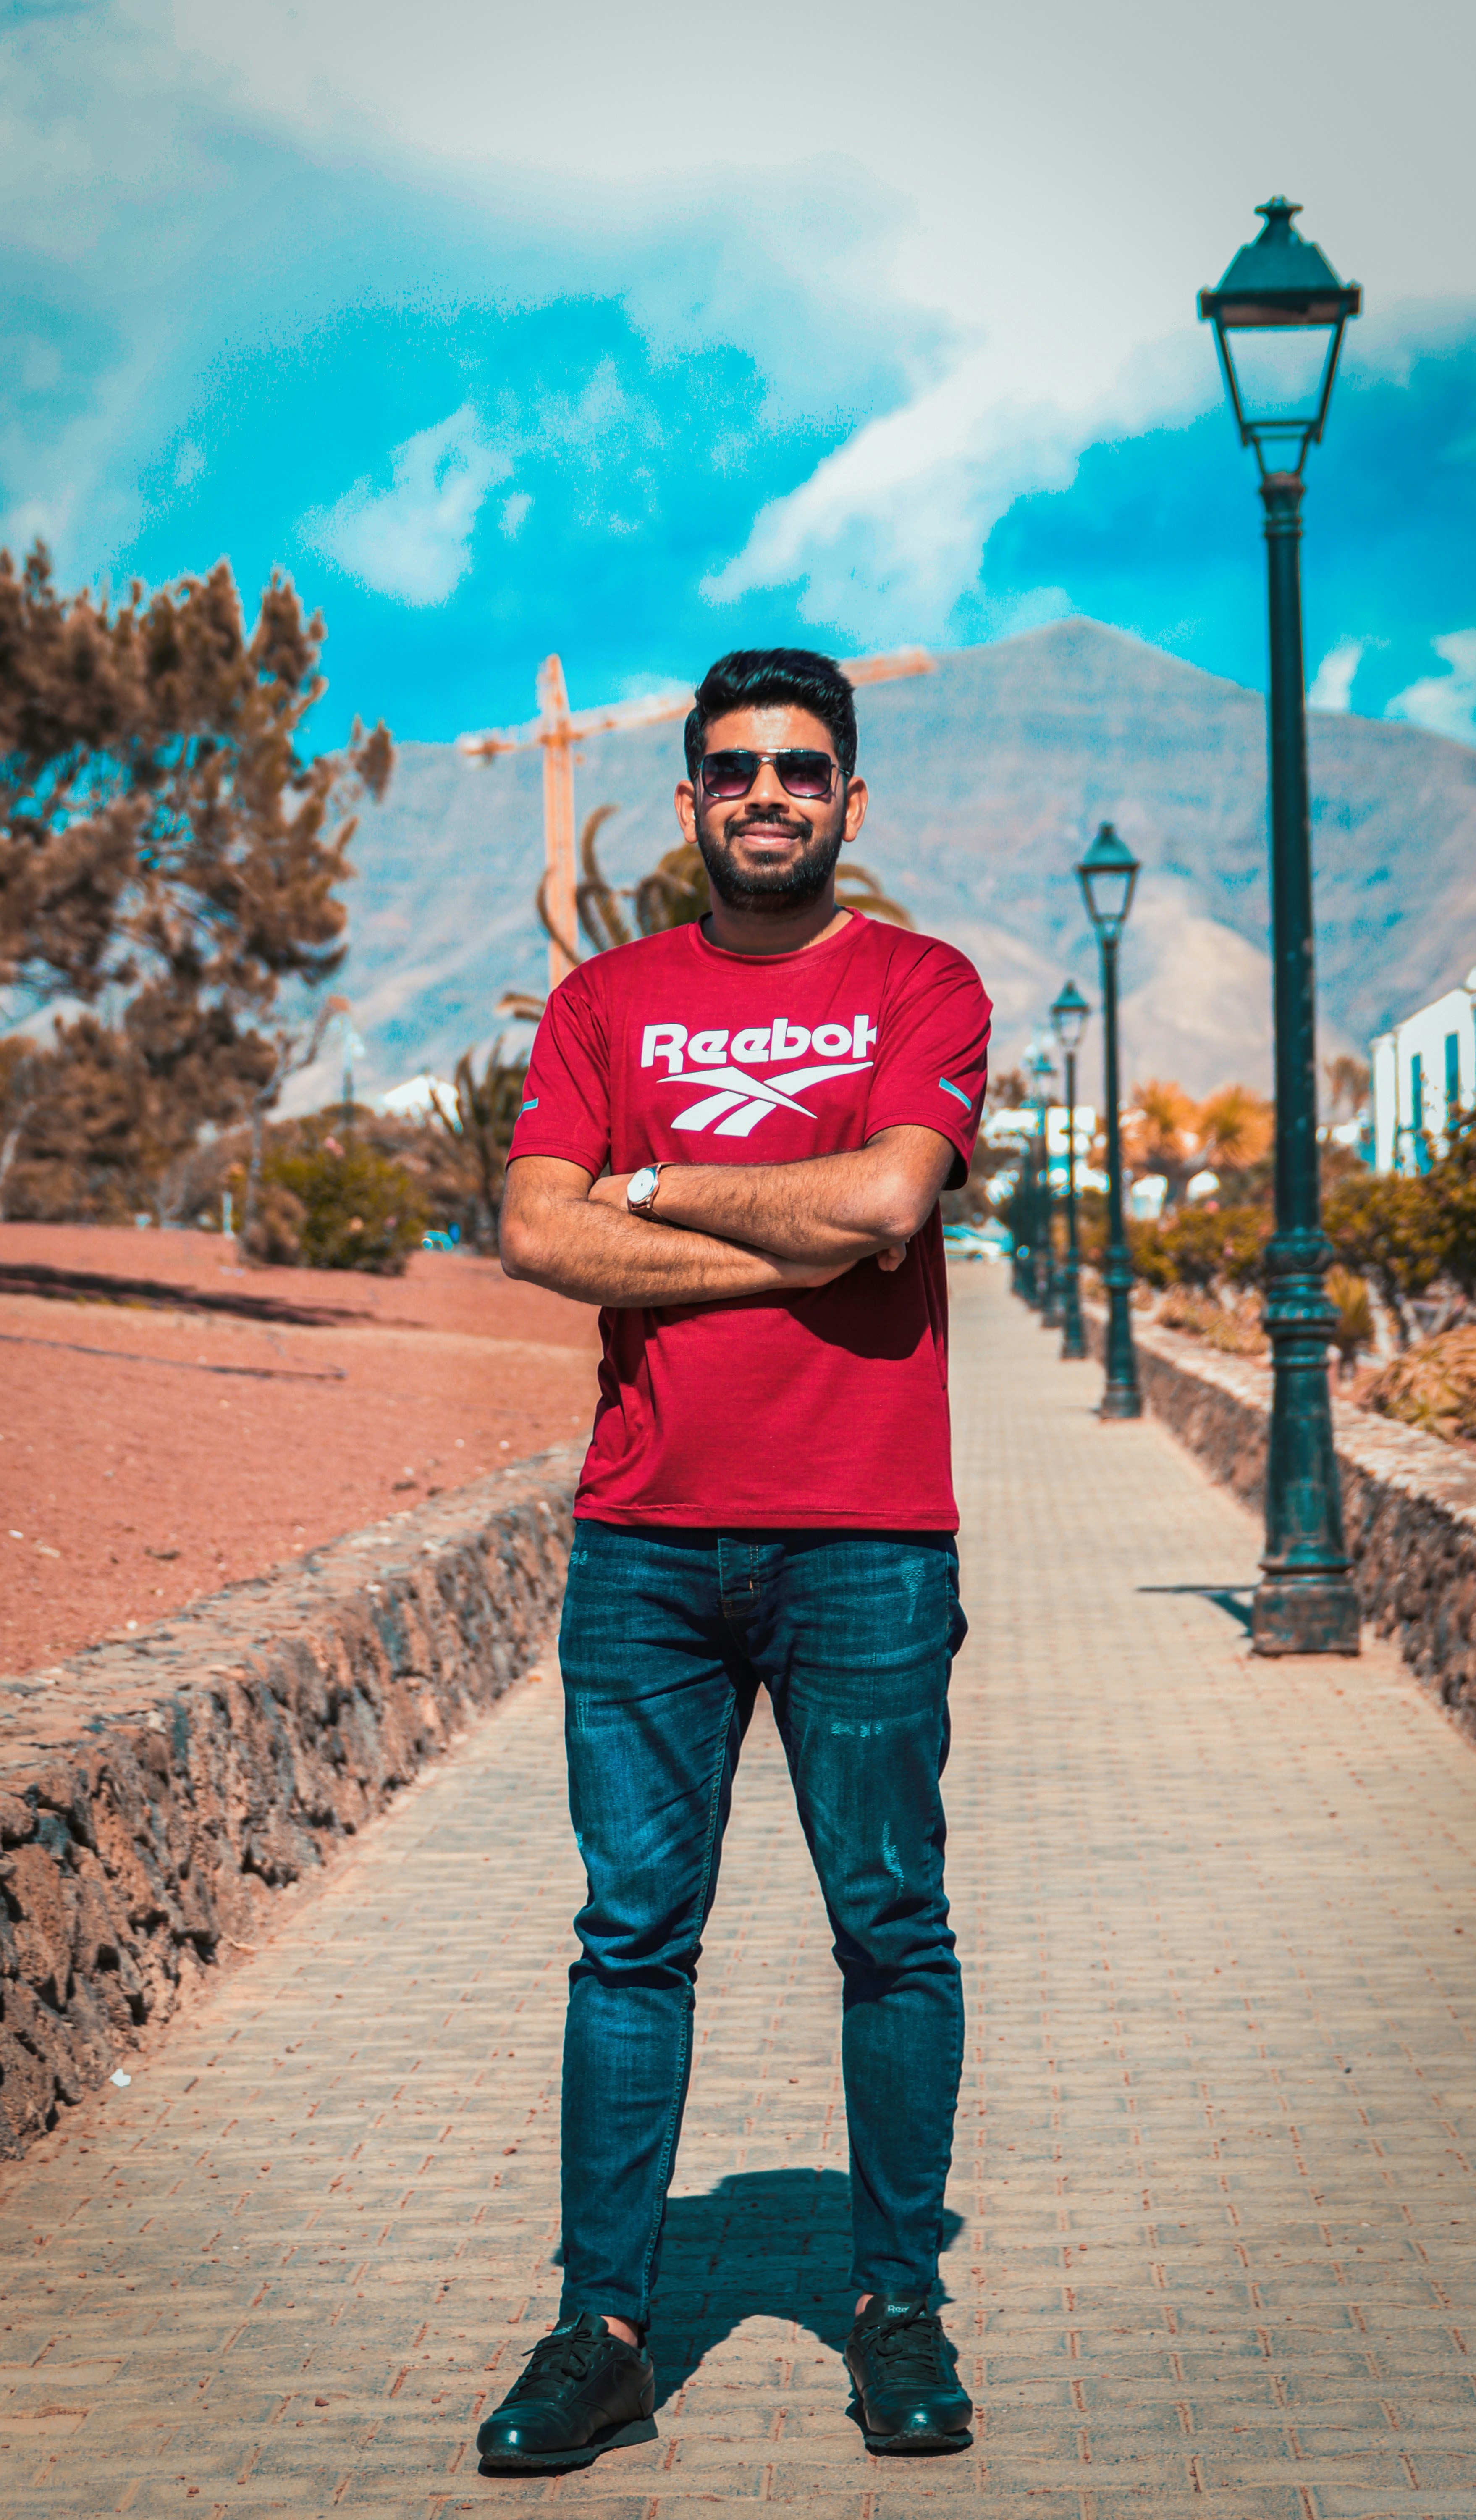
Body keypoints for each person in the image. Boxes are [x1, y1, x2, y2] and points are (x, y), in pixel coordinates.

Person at [480, 646, 991, 2472]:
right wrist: (807, 1231)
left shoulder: (921, 981)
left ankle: (894, 2309)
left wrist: (661, 1191)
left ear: (848, 801)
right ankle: (602, 2330)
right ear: (690, 800)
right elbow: (540, 1236)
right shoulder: (603, 1001)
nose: (763, 793)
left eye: (798, 768)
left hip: (865, 1540)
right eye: (728, 770)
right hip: (647, 1548)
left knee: (890, 1931)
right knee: (630, 1942)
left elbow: (887, 1202)